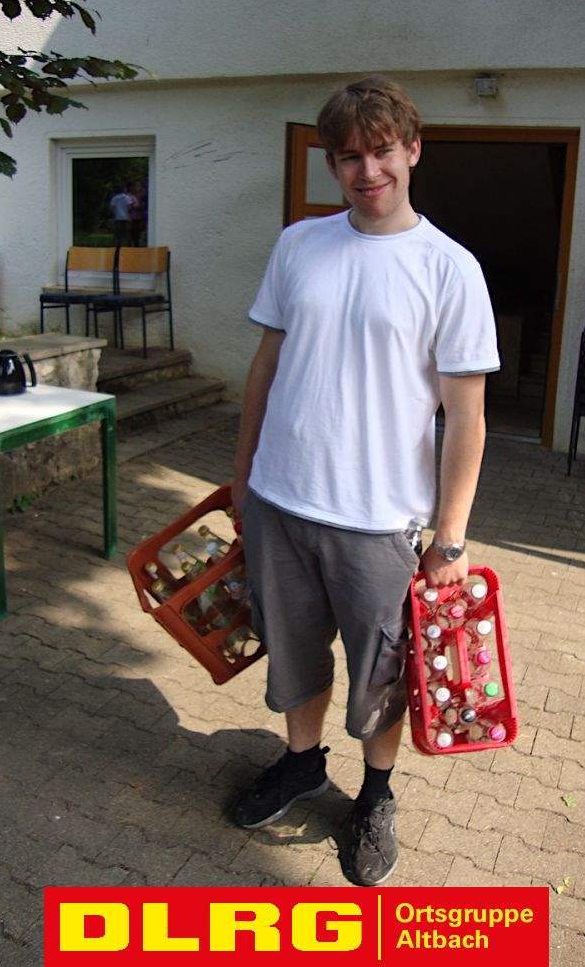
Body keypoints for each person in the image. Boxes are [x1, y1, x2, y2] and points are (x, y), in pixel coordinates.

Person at [231, 75, 500, 886]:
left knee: (383, 676)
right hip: (280, 500)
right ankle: (302, 763)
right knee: (292, 656)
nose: (367, 171)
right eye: (348, 157)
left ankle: (375, 795)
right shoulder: (298, 245)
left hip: (381, 522)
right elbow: (266, 366)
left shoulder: (450, 268)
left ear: (412, 151)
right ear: (332, 165)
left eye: (382, 151)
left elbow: (467, 418)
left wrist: (449, 539)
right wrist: (243, 477)